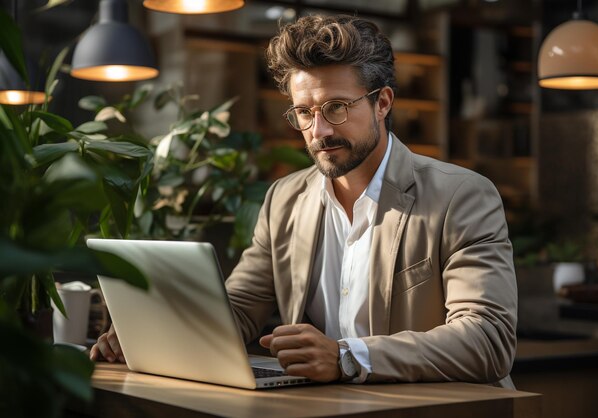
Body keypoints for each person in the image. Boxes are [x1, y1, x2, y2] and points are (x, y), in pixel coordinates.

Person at [91, 14, 517, 388]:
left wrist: (347, 357)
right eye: (304, 113)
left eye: (336, 107)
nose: (319, 131)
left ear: (382, 102)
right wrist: (152, 336)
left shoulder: (460, 195)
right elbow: (238, 309)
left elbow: (487, 338)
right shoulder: (285, 199)